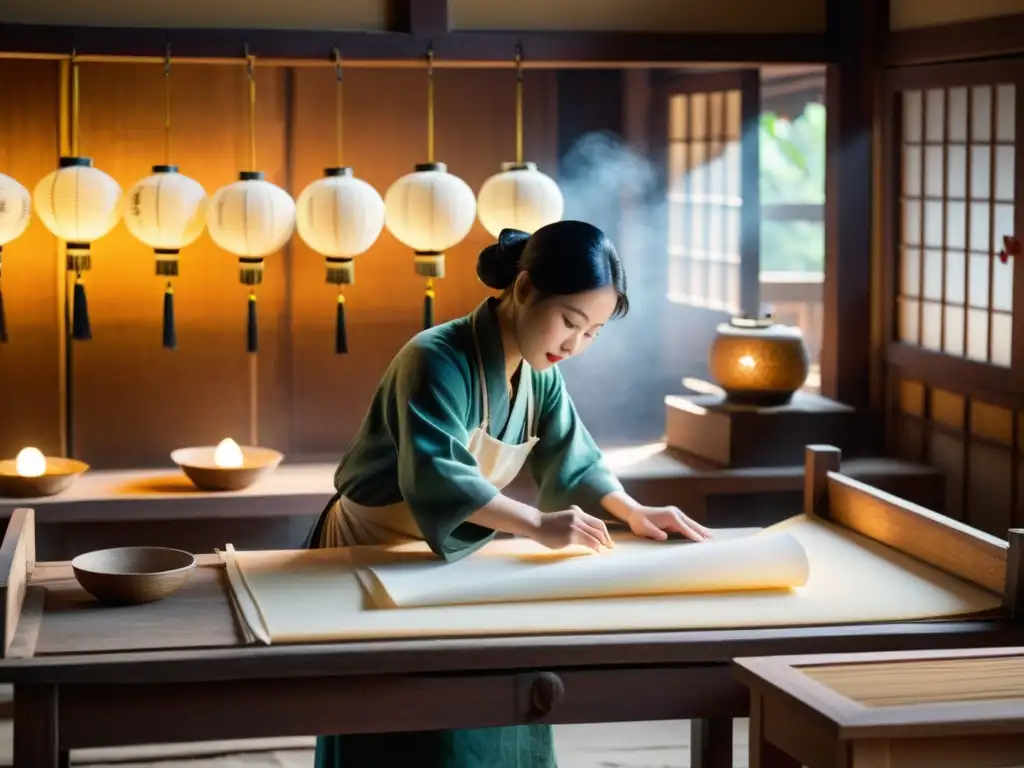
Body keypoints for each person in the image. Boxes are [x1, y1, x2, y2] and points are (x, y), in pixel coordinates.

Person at [306, 220, 711, 768]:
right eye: (570, 322)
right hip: (369, 549)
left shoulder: (540, 374)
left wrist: (632, 511)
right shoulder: (434, 357)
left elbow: (574, 453)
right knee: (402, 718)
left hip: (447, 553)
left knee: (499, 687)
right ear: (522, 290)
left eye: (592, 333)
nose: (575, 345)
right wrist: (539, 526)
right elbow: (438, 475)